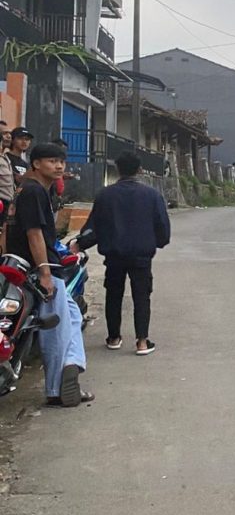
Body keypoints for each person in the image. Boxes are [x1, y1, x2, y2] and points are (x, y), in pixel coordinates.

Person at [9, 143, 91, 406]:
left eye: (61, 162)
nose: (58, 166)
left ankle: (71, 365)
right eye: (52, 161)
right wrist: (44, 273)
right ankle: (57, 388)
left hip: (26, 267)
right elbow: (34, 233)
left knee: (73, 315)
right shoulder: (34, 192)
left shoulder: (24, 188)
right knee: (55, 328)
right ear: (35, 164)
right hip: (38, 271)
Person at [74, 152, 171, 355]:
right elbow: (161, 224)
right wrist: (159, 242)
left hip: (114, 254)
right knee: (142, 296)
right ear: (140, 170)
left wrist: (80, 244)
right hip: (141, 254)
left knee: (114, 294)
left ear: (117, 169)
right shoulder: (152, 195)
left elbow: (94, 227)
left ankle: (114, 337)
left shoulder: (105, 195)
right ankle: (142, 341)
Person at [0, 127, 14, 252]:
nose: (8, 136)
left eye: (10, 133)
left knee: (4, 232)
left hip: (7, 203)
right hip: (1, 202)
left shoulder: (5, 157)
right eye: (4, 134)